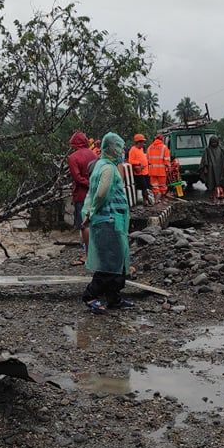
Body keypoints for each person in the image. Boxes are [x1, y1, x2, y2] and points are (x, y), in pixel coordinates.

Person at [81, 132, 133, 314]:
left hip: (110, 220)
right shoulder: (109, 168)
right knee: (109, 262)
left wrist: (89, 213)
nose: (121, 151)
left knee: (116, 260)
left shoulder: (101, 165)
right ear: (111, 148)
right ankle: (90, 296)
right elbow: (101, 192)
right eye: (119, 147)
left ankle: (114, 298)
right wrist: (93, 211)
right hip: (108, 220)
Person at [68, 132, 98, 261]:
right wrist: (93, 185)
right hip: (94, 193)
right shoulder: (94, 155)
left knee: (83, 224)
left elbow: (77, 177)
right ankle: (95, 251)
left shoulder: (73, 157)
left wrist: (87, 184)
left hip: (81, 193)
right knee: (93, 221)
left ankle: (87, 253)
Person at [200, 135, 224, 202]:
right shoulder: (207, 150)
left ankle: (223, 194)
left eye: (215, 142)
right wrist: (205, 168)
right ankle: (212, 194)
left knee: (223, 182)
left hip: (221, 168)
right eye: (212, 142)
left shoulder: (221, 149)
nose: (214, 144)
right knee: (211, 182)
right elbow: (204, 160)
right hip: (211, 170)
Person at [127, 133, 152, 206]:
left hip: (145, 172)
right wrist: (139, 163)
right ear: (138, 142)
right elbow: (131, 161)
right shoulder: (133, 150)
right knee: (143, 187)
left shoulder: (141, 149)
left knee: (146, 187)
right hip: (139, 173)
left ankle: (145, 201)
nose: (143, 143)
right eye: (142, 142)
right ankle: (147, 201)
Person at [147, 132, 171, 198]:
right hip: (161, 171)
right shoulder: (164, 148)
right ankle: (162, 198)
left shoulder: (149, 148)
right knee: (162, 186)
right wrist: (169, 168)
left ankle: (156, 198)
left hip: (152, 171)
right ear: (162, 139)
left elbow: (147, 159)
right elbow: (167, 160)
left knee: (154, 186)